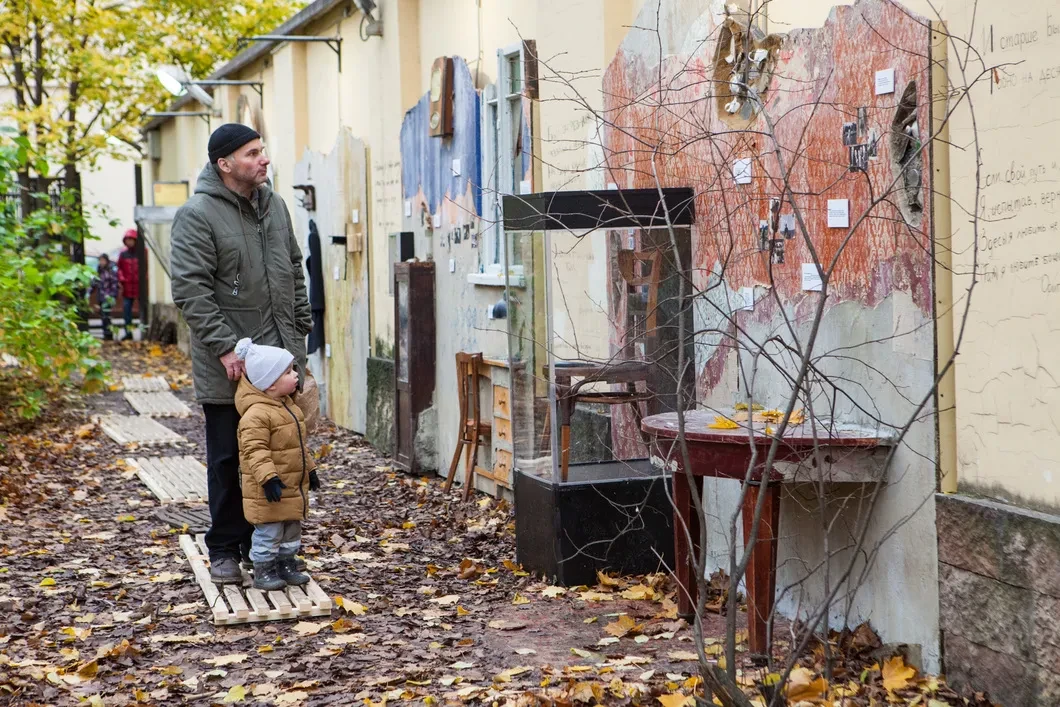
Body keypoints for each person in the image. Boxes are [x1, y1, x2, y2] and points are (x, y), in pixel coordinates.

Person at [170, 123, 313, 584]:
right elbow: (190, 289)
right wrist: (224, 346)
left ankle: (268, 549)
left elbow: (294, 267)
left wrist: (301, 331)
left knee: (282, 454)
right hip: (230, 368)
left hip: (280, 360)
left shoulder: (275, 207)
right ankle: (226, 549)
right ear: (225, 164)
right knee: (231, 458)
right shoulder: (198, 215)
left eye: (263, 151)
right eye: (252, 154)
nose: (264, 160)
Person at [233, 338, 320, 589]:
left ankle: (287, 564)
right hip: (269, 489)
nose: (295, 376)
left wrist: (311, 470)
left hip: (292, 485)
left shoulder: (287, 406)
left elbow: (299, 447)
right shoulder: (256, 414)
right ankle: (264, 570)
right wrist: (268, 478)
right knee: (269, 533)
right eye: (288, 372)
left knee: (291, 530)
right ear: (270, 384)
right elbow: (254, 450)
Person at [116, 229, 140, 341]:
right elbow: (119, 268)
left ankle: (145, 329)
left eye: (131, 239)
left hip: (140, 287)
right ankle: (128, 332)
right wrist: (122, 279)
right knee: (126, 310)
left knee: (143, 309)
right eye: (127, 240)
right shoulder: (123, 254)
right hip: (127, 287)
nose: (129, 242)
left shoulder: (141, 252)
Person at [92, 254, 120, 341]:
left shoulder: (111, 271)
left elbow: (114, 284)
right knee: (103, 315)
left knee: (106, 315)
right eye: (100, 261)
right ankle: (106, 333)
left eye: (103, 260)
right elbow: (94, 283)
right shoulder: (99, 271)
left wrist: (112, 295)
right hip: (101, 296)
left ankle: (108, 333)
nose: (101, 262)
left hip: (108, 296)